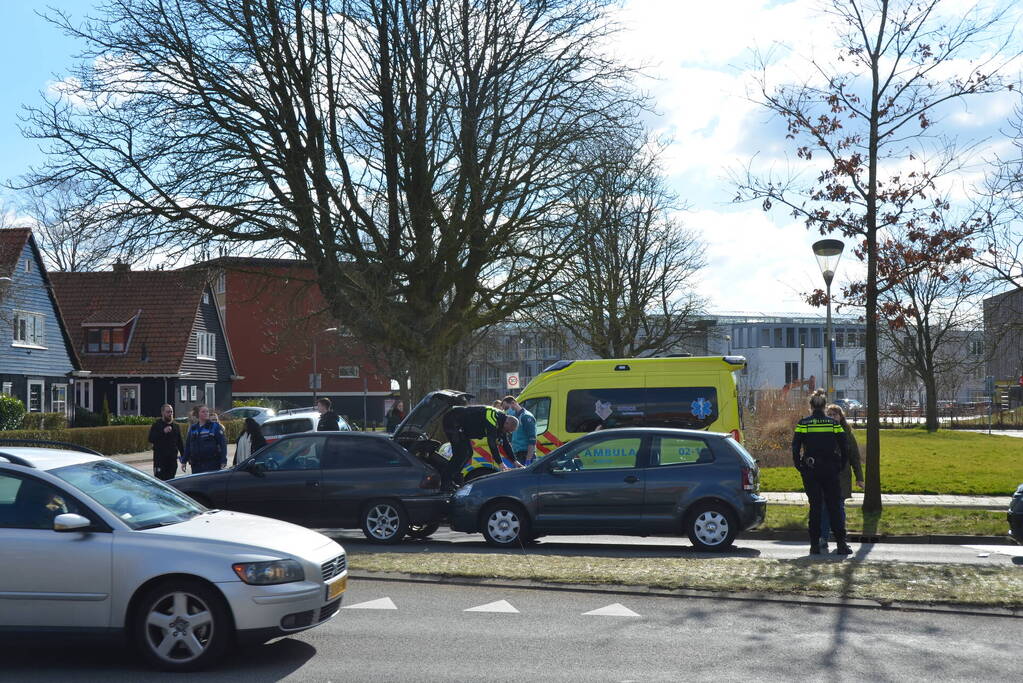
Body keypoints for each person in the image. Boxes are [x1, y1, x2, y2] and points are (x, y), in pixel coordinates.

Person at [792, 389, 853, 555]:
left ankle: (814, 545)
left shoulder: (803, 424)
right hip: (830, 470)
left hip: (811, 470)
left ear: (811, 406)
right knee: (834, 506)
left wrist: (799, 465)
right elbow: (844, 446)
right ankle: (841, 544)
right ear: (825, 406)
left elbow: (795, 446)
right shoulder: (833, 424)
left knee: (816, 507)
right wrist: (840, 464)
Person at [820, 403, 865, 551]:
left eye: (835, 414)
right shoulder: (822, 432)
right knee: (825, 507)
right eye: (830, 414)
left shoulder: (847, 434)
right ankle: (823, 538)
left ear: (841, 417)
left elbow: (854, 457)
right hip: (826, 476)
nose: (832, 417)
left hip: (842, 477)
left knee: (839, 508)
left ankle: (841, 540)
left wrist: (859, 477)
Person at [441, 405, 519, 490]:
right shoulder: (492, 418)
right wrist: (500, 463)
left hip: (461, 426)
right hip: (452, 421)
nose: (506, 432)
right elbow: (491, 442)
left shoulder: (502, 421)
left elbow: (506, 443)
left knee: (468, 453)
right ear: (507, 423)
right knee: (461, 453)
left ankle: (452, 480)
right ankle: (445, 483)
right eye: (507, 430)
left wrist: (515, 461)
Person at [182, 405, 228, 474]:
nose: (206, 413)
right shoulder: (193, 428)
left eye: (207, 411)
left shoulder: (215, 426)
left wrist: (223, 460)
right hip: (196, 464)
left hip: (212, 463)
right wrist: (184, 461)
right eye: (203, 412)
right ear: (198, 414)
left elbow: (223, 444)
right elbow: (188, 445)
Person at [147, 403, 184, 481]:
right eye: (168, 412)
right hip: (160, 461)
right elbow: (151, 439)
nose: (170, 414)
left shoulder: (176, 426)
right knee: (160, 482)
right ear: (162, 413)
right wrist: (163, 432)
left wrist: (184, 458)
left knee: (171, 482)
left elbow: (180, 443)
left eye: (171, 412)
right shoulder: (157, 425)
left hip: (172, 461)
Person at [501, 395, 536, 465]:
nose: (506, 411)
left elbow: (532, 440)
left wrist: (528, 460)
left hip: (525, 454)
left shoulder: (526, 417)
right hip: (517, 454)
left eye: (506, 408)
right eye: (504, 409)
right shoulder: (514, 418)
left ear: (513, 403)